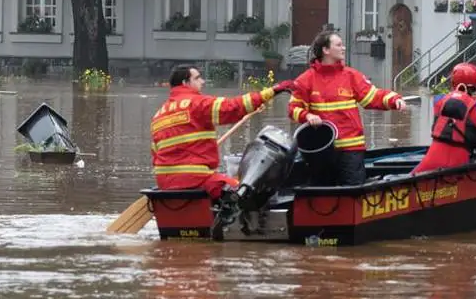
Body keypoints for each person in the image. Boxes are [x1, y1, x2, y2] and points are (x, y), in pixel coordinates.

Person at [150, 64, 296, 201]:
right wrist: (273, 91)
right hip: (194, 178)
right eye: (198, 78)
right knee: (244, 193)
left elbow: (155, 154)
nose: (203, 81)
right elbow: (233, 107)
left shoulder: (158, 115)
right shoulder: (197, 104)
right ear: (185, 83)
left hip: (164, 181)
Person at [288, 31, 406, 186]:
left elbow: (371, 96)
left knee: (353, 192)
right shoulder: (306, 80)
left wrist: (393, 99)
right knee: (322, 193)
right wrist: (307, 116)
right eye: (338, 45)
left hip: (351, 149)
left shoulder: (351, 76)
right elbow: (293, 109)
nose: (343, 48)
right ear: (326, 50)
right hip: (322, 152)